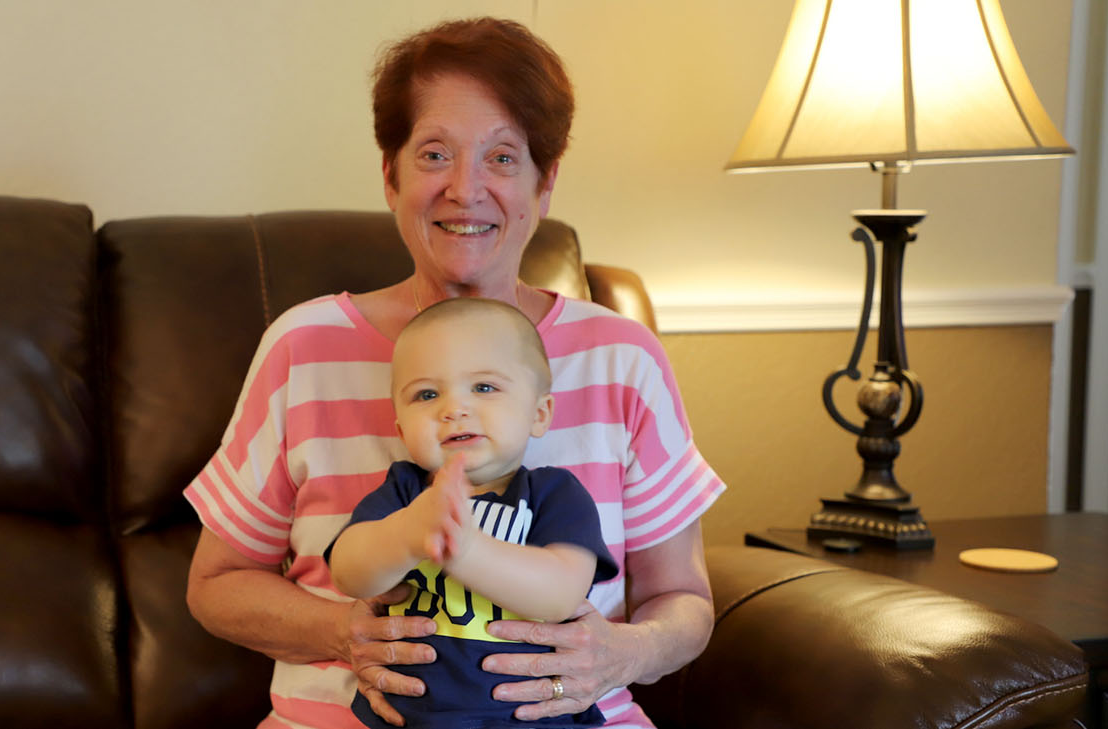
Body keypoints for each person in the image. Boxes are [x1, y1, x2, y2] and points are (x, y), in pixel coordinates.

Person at [184, 16, 726, 729]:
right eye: (435, 154)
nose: (465, 190)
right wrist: (342, 631)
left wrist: (621, 652)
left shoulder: (622, 357)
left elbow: (683, 598)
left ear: (545, 182)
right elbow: (215, 585)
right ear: (391, 174)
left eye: (503, 158)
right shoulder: (302, 346)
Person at [327, 297, 619, 728]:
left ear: (539, 414)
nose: (453, 409)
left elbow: (560, 595)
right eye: (427, 394)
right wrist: (407, 534)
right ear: (402, 430)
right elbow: (348, 573)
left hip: (534, 718)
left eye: (484, 387)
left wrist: (465, 549)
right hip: (408, 718)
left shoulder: (554, 493)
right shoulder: (405, 492)